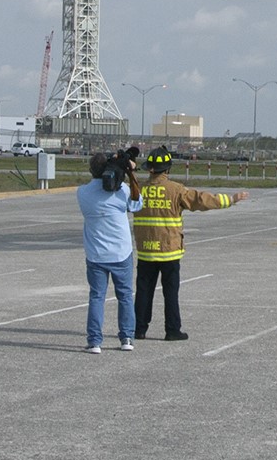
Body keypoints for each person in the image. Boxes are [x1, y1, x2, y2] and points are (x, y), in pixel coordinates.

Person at [129, 146, 245, 342]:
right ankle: (172, 330)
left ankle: (139, 329)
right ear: (167, 170)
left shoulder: (138, 190)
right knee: (170, 293)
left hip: (146, 251)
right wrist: (231, 200)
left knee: (143, 292)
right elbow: (201, 201)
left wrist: (129, 172)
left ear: (150, 169)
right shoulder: (176, 190)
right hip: (169, 252)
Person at [75, 148, 144, 353]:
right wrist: (130, 172)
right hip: (121, 252)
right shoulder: (121, 190)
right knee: (124, 295)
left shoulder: (82, 193)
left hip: (96, 253)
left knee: (97, 296)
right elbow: (137, 205)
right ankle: (127, 338)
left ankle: (95, 341)